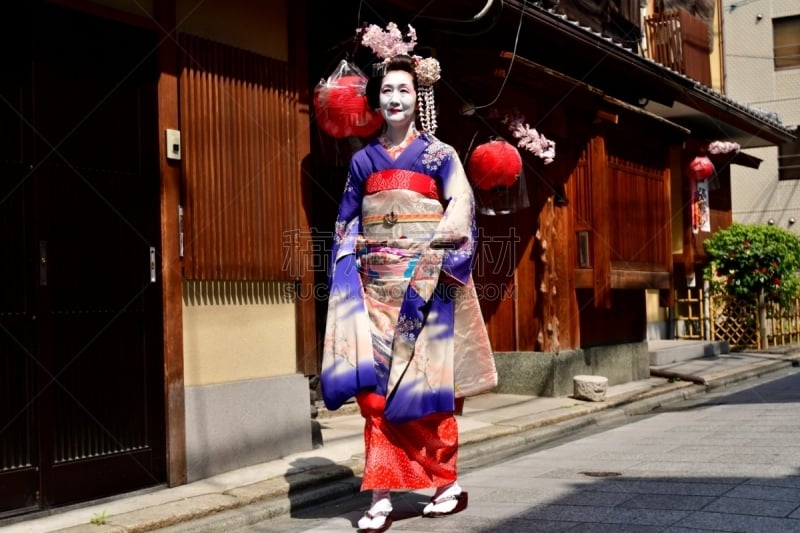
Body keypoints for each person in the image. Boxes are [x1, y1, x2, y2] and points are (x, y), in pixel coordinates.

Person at [320, 53, 497, 533]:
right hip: (375, 290)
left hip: (424, 285)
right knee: (375, 398)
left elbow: (461, 207)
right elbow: (346, 221)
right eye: (386, 91)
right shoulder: (362, 161)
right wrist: (346, 260)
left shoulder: (441, 156)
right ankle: (380, 497)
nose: (394, 98)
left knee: (427, 394)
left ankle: (445, 485)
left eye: (403, 90)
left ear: (417, 98)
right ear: (377, 100)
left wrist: (437, 259)